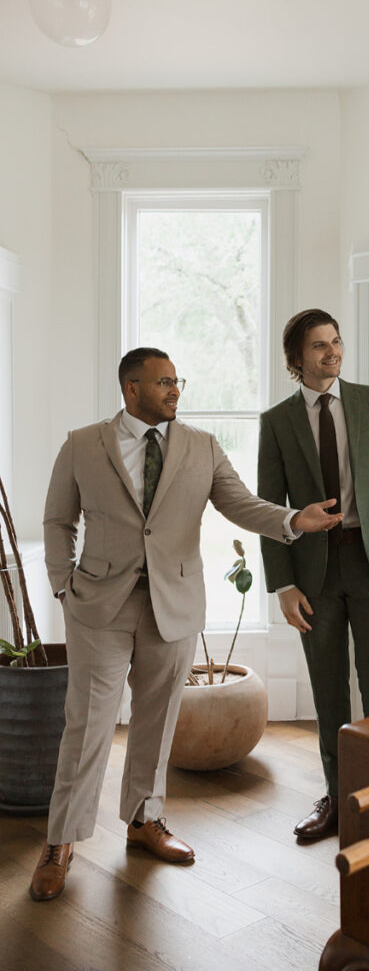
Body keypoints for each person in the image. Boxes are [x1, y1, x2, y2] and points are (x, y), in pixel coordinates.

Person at [30, 347, 342, 902]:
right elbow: (58, 519)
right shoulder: (82, 444)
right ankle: (62, 841)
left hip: (171, 604)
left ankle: (144, 821)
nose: (176, 390)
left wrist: (294, 520)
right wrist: (63, 586)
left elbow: (241, 505)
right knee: (87, 726)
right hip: (99, 607)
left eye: (178, 381)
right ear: (131, 388)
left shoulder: (201, 446)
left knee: (157, 720)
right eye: (164, 382)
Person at [258, 309, 369, 841]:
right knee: (329, 693)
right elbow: (269, 509)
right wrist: (283, 585)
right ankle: (337, 799)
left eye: (336, 341)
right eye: (318, 345)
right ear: (296, 359)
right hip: (314, 574)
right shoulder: (277, 421)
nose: (331, 352)